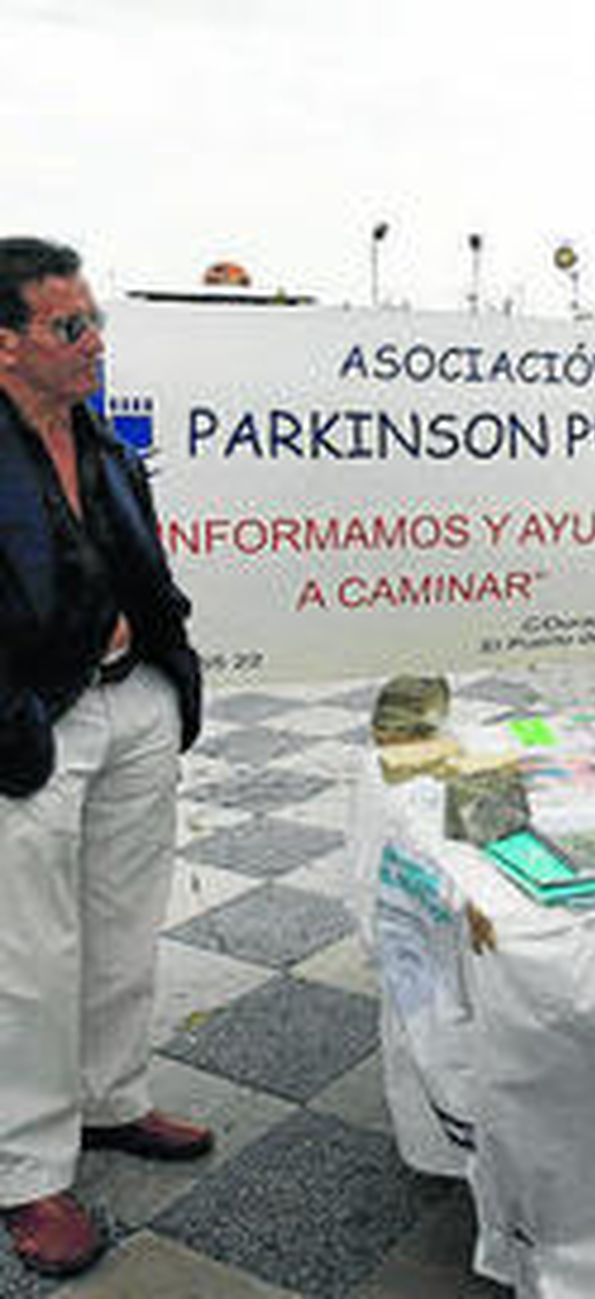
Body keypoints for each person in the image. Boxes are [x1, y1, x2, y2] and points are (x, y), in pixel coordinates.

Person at [0, 237, 210, 1278]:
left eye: (95, 322)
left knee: (123, 926)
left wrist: (171, 675)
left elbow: (146, 570)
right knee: (29, 958)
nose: (93, 342)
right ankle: (28, 1172)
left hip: (133, 705)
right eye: (69, 325)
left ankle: (110, 1100)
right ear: (4, 343)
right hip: (33, 723)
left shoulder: (106, 445)